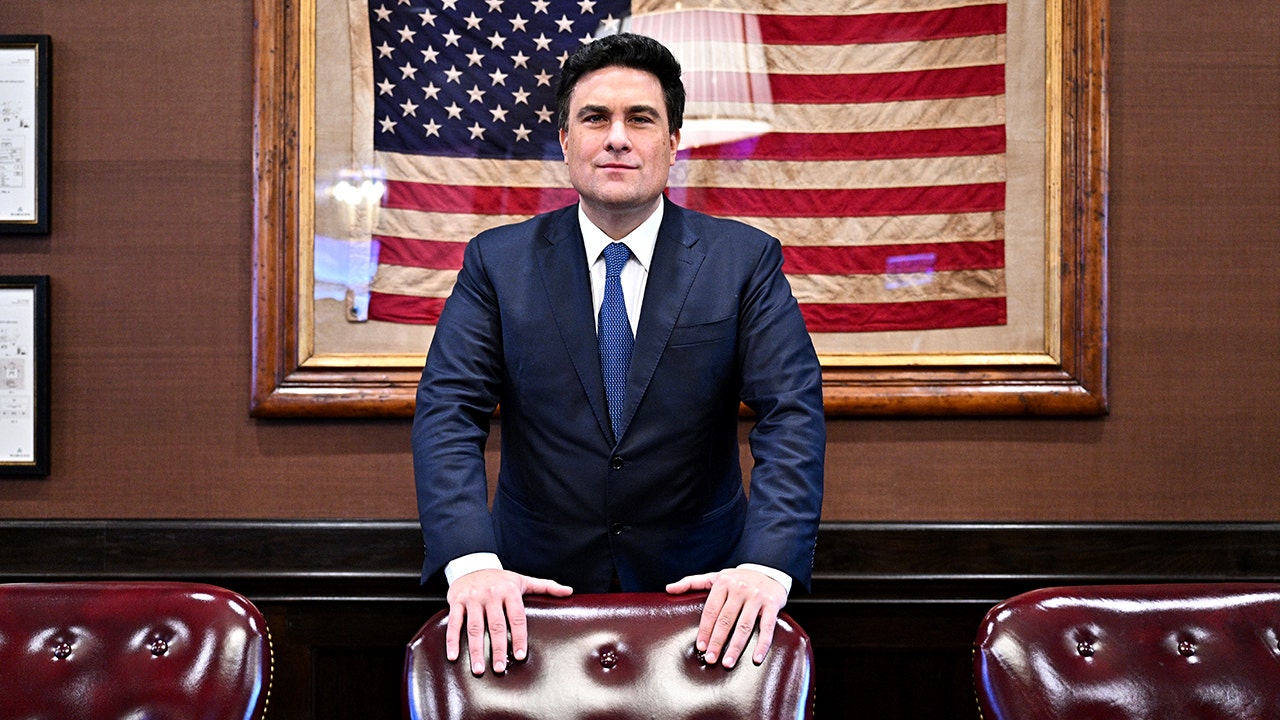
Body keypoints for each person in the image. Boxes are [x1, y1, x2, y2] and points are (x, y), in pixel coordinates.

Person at [412, 32, 825, 678]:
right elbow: (448, 410)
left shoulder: (744, 261)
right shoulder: (497, 262)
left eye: (640, 119)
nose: (617, 138)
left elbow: (791, 412)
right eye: (595, 118)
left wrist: (765, 566)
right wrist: (471, 563)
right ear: (566, 140)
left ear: (673, 142)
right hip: (527, 602)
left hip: (703, 604)